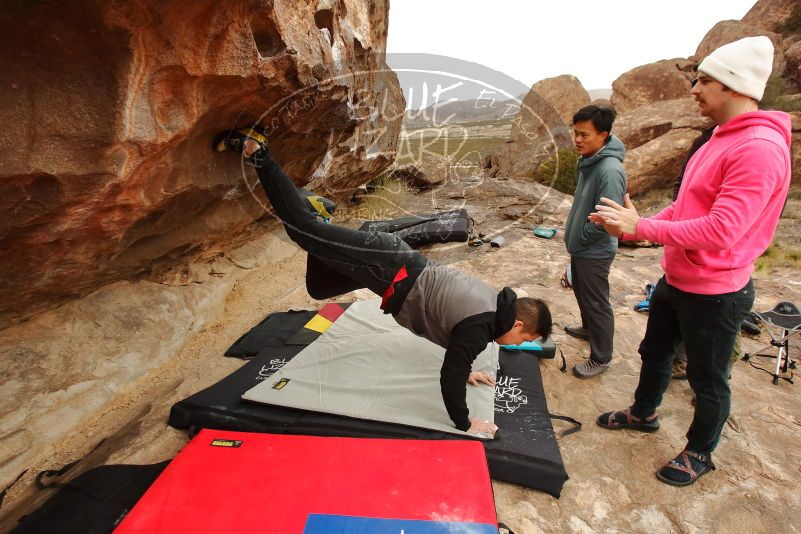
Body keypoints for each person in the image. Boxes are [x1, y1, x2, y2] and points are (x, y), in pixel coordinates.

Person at [214, 127, 553, 438]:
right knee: (301, 230)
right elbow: (451, 370)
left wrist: (466, 369)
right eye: (524, 339)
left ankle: (322, 219)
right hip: (386, 265)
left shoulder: (491, 308)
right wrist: (465, 423)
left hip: (387, 267)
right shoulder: (481, 326)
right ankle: (257, 149)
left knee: (319, 285)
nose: (516, 345)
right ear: (518, 323)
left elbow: (455, 339)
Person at [591, 36, 792, 486]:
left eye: (704, 81)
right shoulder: (720, 138)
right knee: (655, 353)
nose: (695, 90)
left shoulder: (757, 149)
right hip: (678, 279)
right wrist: (635, 224)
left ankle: (700, 451)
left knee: (708, 379)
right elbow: (685, 207)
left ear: (734, 86)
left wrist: (641, 229)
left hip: (718, 294)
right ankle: (644, 414)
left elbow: (723, 230)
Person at [563, 105, 626, 378]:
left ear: (603, 135)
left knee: (597, 302)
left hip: (594, 250)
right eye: (576, 133)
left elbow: (607, 218)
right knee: (582, 293)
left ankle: (601, 357)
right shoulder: (589, 159)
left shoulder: (609, 170)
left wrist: (583, 239)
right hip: (581, 247)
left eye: (584, 135)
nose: (578, 140)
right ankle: (588, 329)